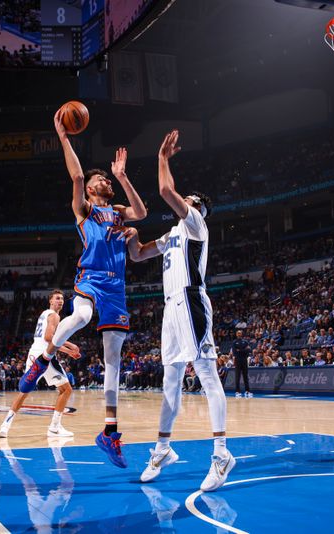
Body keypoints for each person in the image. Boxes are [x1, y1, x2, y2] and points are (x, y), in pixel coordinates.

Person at [18, 108, 147, 468]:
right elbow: (76, 175)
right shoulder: (85, 209)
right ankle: (45, 358)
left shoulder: (120, 212)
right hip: (91, 279)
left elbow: (142, 211)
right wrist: (63, 137)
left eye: (108, 178)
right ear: (91, 188)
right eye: (103, 178)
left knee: (113, 362)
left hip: (117, 289)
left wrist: (123, 176)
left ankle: (109, 431)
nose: (106, 179)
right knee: (82, 314)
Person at [119, 129, 234, 492]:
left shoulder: (196, 225)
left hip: (192, 302)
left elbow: (167, 192)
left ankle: (221, 454)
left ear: (198, 208)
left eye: (189, 199)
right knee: (170, 382)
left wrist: (162, 158)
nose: (182, 200)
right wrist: (131, 238)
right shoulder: (171, 236)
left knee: (207, 375)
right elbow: (139, 255)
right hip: (170, 309)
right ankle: (163, 449)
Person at [0, 290, 80, 438]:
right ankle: (54, 427)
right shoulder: (54, 315)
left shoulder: (44, 313)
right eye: (57, 298)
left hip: (33, 353)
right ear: (50, 301)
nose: (60, 301)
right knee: (66, 390)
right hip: (45, 355)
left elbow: (51, 337)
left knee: (24, 392)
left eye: (62, 299)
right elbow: (50, 338)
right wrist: (69, 350)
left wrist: (69, 345)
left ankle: (5, 426)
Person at [230, 330, 252, 398]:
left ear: (242, 334)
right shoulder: (234, 342)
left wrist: (240, 350)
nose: (239, 334)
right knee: (237, 376)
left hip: (244, 360)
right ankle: (237, 391)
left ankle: (247, 391)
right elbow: (234, 352)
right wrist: (244, 350)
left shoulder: (245, 342)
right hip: (237, 360)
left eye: (240, 333)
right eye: (238, 333)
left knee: (245, 376)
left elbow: (249, 350)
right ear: (236, 334)